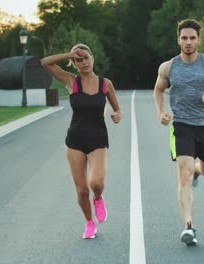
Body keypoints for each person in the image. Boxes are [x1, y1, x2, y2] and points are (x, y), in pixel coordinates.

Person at [153, 19, 204, 246]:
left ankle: (200, 170)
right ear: (178, 39)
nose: (188, 42)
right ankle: (188, 227)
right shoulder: (168, 67)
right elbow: (159, 89)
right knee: (184, 176)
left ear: (198, 40)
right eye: (184, 38)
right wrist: (161, 111)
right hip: (182, 127)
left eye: (192, 38)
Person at [41, 43, 123, 239]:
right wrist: (69, 53)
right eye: (78, 59)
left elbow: (117, 108)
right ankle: (89, 222)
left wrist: (117, 115)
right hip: (75, 140)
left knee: (96, 182)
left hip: (98, 139)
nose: (84, 62)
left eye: (86, 57)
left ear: (92, 59)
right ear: (74, 63)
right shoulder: (71, 81)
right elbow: (45, 63)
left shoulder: (106, 84)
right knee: (81, 190)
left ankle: (98, 198)